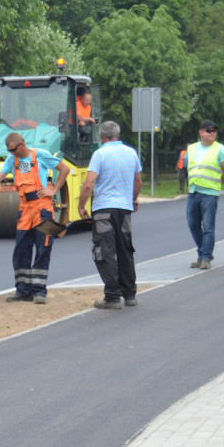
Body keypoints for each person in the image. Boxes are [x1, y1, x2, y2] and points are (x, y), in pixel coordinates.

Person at [0, 132, 71, 304]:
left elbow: (64, 169)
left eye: (13, 149)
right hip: (25, 210)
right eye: (9, 151)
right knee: (21, 250)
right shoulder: (11, 161)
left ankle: (40, 292)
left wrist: (53, 190)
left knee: (43, 249)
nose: (12, 153)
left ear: (22, 144)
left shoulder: (41, 155)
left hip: (43, 209)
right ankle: (23, 291)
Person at [77, 121, 142, 309]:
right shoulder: (131, 153)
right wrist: (133, 198)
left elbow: (89, 184)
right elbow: (138, 180)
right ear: (118, 134)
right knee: (125, 250)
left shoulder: (99, 154)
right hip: (124, 210)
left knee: (104, 252)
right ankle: (130, 295)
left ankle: (112, 296)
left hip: (104, 210)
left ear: (101, 137)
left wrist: (81, 206)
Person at [185, 119, 224, 270]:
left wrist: (216, 185)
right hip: (193, 191)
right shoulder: (191, 148)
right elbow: (189, 167)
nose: (212, 133)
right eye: (209, 130)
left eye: (214, 130)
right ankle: (202, 253)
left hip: (210, 194)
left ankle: (205, 258)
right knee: (193, 224)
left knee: (208, 227)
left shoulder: (220, 149)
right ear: (201, 132)